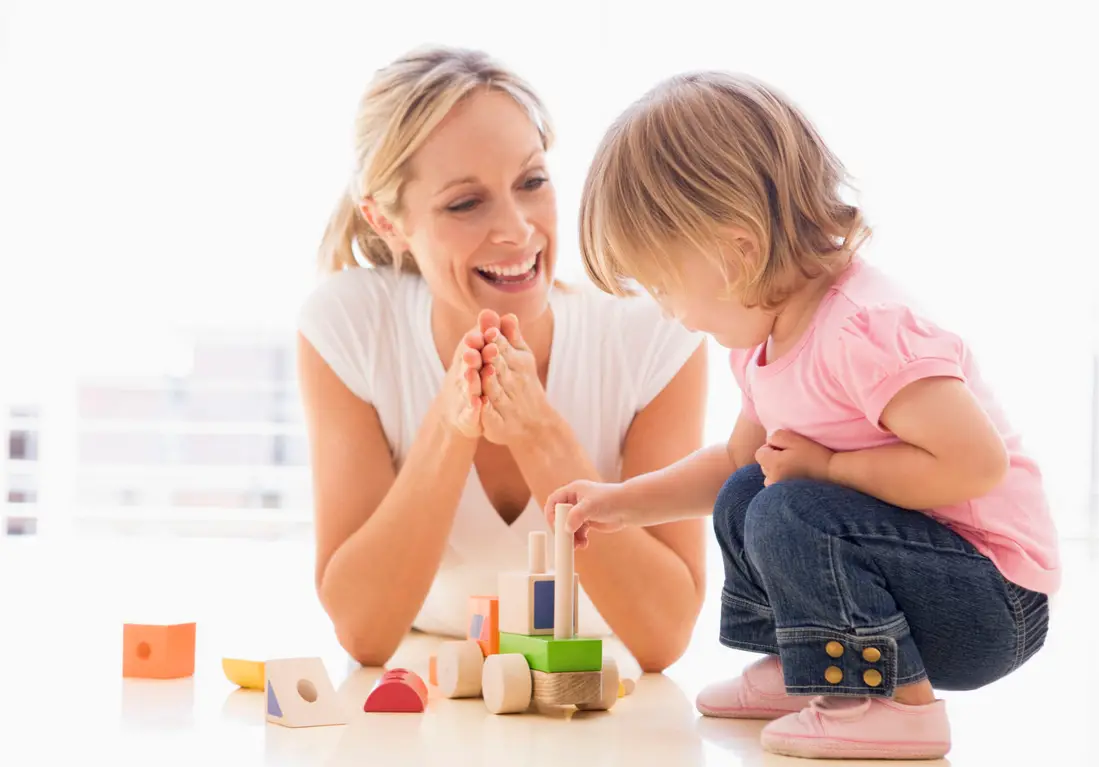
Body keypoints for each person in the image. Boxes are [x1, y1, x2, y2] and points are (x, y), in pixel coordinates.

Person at [545, 70, 1058, 760]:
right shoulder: (762, 344)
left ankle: (900, 709)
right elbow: (733, 463)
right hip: (909, 578)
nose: (667, 309)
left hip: (992, 601)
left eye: (665, 284)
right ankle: (802, 666)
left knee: (785, 507)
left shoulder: (862, 330)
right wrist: (621, 502)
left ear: (737, 250)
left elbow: (974, 462)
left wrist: (828, 466)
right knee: (749, 489)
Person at [294, 46, 708, 672]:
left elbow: (662, 636)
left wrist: (538, 433)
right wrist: (452, 423)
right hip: (433, 705)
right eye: (465, 203)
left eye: (532, 182)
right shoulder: (350, 326)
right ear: (388, 221)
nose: (516, 230)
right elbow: (365, 632)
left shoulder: (651, 331)